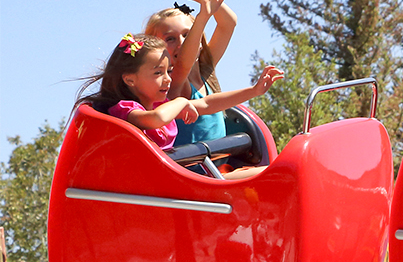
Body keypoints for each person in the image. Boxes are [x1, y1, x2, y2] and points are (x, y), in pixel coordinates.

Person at [78, 34, 283, 167]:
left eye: (169, 71)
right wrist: (181, 102)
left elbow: (207, 104)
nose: (168, 78)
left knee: (264, 172)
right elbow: (156, 119)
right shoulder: (125, 110)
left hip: (177, 178)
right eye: (158, 72)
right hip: (159, 188)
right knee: (262, 176)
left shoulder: (164, 105)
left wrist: (253, 91)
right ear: (130, 79)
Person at [145, 0, 239, 147]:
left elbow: (228, 24)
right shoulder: (169, 82)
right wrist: (203, 17)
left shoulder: (205, 68)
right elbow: (183, 64)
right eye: (170, 39)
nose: (182, 43)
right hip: (192, 168)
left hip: (217, 163)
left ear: (200, 40)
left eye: (187, 35)